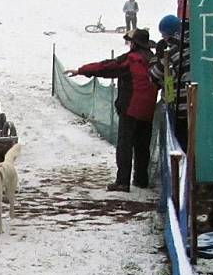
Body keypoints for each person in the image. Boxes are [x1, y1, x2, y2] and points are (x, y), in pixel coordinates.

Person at [65, 28, 158, 192]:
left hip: (130, 107)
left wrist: (82, 70)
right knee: (142, 145)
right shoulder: (153, 59)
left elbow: (106, 67)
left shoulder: (131, 59)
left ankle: (122, 182)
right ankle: (141, 179)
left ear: (134, 43)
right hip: (148, 108)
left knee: (125, 144)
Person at [149, 14, 190, 150]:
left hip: (180, 107)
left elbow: (154, 76)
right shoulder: (194, 45)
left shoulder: (173, 51)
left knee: (181, 146)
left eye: (163, 35)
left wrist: (156, 58)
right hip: (198, 105)